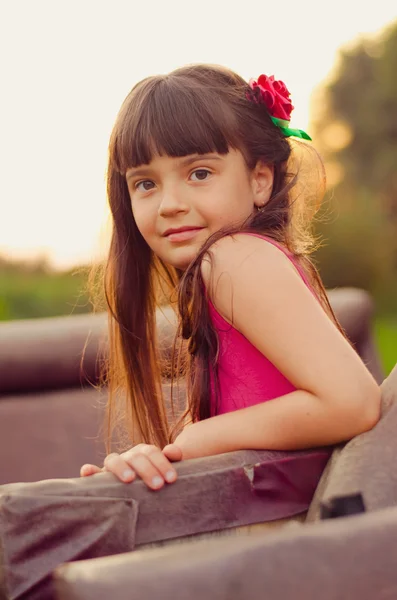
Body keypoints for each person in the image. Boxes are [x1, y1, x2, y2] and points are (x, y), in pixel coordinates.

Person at [80, 64, 381, 491]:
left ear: (260, 180)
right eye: (145, 184)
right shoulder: (231, 268)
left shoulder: (233, 258)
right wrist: (146, 472)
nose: (169, 204)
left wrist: (196, 440)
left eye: (199, 173)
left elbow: (354, 402)